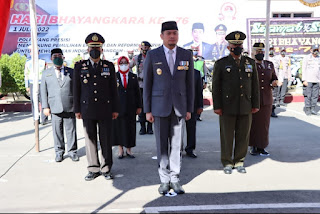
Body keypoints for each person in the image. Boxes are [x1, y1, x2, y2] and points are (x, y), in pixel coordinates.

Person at [143, 21, 194, 195]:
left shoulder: (186, 54)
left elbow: (190, 85)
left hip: (179, 106)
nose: (172, 36)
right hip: (159, 107)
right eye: (169, 33)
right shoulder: (153, 55)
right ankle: (164, 179)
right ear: (162, 36)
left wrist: (189, 109)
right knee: (161, 145)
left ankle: (175, 178)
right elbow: (147, 84)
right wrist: (147, 110)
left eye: (175, 33)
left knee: (176, 145)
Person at [212, 31, 260, 174]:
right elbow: (216, 87)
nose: (237, 47)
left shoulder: (250, 63)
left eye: (239, 44)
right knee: (227, 136)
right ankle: (227, 162)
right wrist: (217, 106)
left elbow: (255, 86)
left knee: (243, 135)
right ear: (228, 47)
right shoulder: (221, 64)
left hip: (245, 105)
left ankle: (239, 161)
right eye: (234, 45)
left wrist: (255, 104)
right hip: (227, 106)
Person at [73, 32, 120, 181]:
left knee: (106, 139)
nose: (95, 50)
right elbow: (76, 89)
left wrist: (115, 109)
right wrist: (77, 110)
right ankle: (93, 168)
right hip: (87, 109)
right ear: (87, 49)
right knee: (90, 139)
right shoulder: (80, 66)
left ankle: (106, 168)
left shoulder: (109, 66)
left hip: (105, 109)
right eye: (92, 47)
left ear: (102, 49)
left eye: (97, 47)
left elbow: (114, 89)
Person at [41, 48, 78, 162]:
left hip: (69, 105)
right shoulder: (46, 73)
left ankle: (72, 151)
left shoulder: (71, 71)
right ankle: (59, 152)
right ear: (51, 58)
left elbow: (76, 90)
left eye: (59, 56)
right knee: (57, 131)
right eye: (54, 56)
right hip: (54, 106)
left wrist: (77, 106)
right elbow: (43, 90)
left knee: (71, 130)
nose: (57, 58)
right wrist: (45, 106)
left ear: (63, 57)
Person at [249, 43, 278, 156]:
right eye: (257, 51)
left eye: (261, 51)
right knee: (253, 124)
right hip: (253, 99)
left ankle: (262, 146)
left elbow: (274, 77)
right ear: (253, 52)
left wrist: (274, 82)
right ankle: (253, 146)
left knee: (264, 124)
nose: (260, 53)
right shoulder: (249, 65)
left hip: (266, 99)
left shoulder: (269, 64)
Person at [111, 56, 142, 159]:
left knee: (130, 128)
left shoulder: (133, 76)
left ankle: (129, 150)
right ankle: (120, 150)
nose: (124, 65)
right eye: (121, 63)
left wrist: (139, 106)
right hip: (118, 108)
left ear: (129, 64)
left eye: (125, 63)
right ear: (118, 64)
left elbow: (138, 93)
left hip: (131, 107)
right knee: (119, 129)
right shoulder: (114, 76)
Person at [130, 41, 153, 135]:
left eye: (147, 48)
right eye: (143, 48)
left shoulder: (152, 57)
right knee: (141, 107)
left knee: (150, 107)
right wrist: (134, 77)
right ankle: (142, 128)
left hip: (151, 86)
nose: (145, 49)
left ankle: (150, 128)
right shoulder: (137, 58)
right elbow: (129, 66)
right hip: (140, 85)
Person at [24, 45, 49, 125]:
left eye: (35, 52)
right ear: (30, 53)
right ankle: (36, 119)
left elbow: (47, 73)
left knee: (43, 100)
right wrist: (26, 85)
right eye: (32, 52)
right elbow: (26, 75)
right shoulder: (28, 63)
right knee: (34, 101)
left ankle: (44, 119)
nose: (33, 53)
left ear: (38, 53)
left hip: (42, 83)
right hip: (32, 83)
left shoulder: (43, 62)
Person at [185, 62, 203, 158]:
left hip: (193, 105)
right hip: (179, 105)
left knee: (191, 128)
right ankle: (176, 149)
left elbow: (199, 90)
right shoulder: (178, 72)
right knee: (176, 130)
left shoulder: (196, 73)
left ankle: (190, 149)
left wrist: (200, 106)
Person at [301, 44, 320, 116]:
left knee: (315, 95)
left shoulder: (319, 58)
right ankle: (308, 109)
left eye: (317, 50)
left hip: (317, 80)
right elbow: (303, 69)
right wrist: (304, 80)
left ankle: (313, 108)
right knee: (308, 95)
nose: (316, 51)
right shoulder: (306, 58)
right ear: (311, 50)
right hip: (308, 80)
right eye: (314, 50)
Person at [191, 46, 208, 121]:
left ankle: (198, 115)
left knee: (199, 96)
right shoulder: (189, 60)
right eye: (194, 50)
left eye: (196, 50)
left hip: (200, 79)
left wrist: (205, 82)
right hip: (191, 80)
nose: (195, 51)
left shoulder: (201, 60)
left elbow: (205, 71)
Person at [268, 45, 279, 118]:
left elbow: (280, 69)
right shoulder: (265, 58)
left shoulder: (277, 59)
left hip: (275, 79)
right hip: (267, 80)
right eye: (270, 49)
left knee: (274, 96)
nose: (271, 51)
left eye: (272, 49)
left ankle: (272, 110)